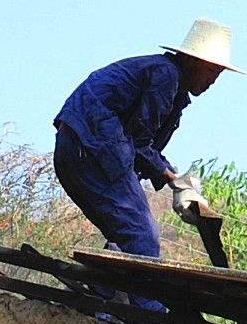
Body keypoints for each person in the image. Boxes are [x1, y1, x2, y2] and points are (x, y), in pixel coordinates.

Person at [51, 21, 237, 258]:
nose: (213, 81)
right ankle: (144, 296)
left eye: (218, 74)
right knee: (142, 237)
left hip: (76, 147)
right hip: (91, 148)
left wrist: (176, 177)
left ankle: (108, 289)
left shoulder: (166, 81)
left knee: (124, 235)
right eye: (212, 71)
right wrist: (175, 181)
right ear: (192, 61)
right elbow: (139, 143)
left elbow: (143, 146)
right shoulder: (165, 75)